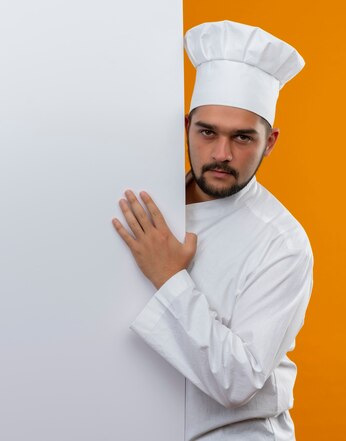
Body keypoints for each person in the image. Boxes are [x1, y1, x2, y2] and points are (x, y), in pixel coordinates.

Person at [111, 20, 313, 440]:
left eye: (242, 138)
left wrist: (169, 277)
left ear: (270, 141)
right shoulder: (147, 203)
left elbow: (238, 382)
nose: (221, 155)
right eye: (207, 132)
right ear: (187, 126)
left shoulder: (282, 244)